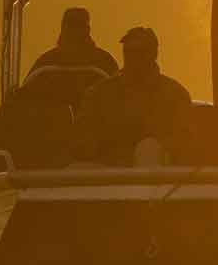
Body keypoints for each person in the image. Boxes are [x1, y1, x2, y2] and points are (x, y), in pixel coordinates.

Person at [73, 26, 193, 166]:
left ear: (154, 54)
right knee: (74, 170)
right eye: (128, 52)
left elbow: (186, 141)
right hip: (107, 171)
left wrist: (155, 143)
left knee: (149, 149)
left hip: (157, 177)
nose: (133, 57)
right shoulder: (100, 93)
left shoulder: (175, 94)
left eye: (140, 52)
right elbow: (81, 139)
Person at [28, 7, 119, 77]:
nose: (74, 31)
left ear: (87, 29)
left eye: (78, 25)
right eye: (71, 25)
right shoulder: (105, 61)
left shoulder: (45, 62)